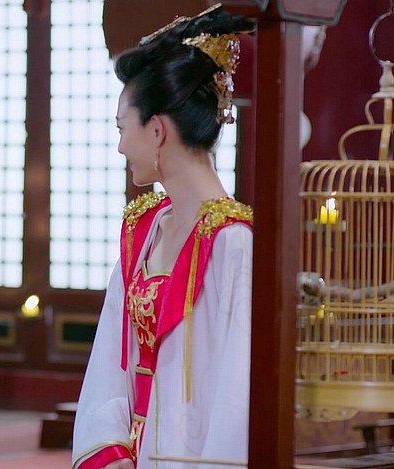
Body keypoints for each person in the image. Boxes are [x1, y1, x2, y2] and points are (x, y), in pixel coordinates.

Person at [72, 5, 255, 469]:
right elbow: (109, 364)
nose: (120, 145)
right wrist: (113, 452)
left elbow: (237, 399)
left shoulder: (235, 243)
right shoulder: (143, 229)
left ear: (156, 131)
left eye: (122, 128)